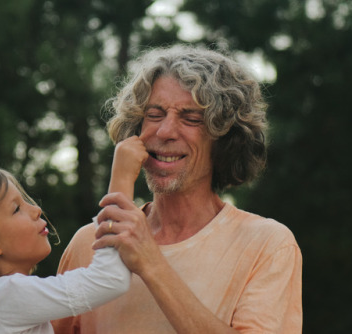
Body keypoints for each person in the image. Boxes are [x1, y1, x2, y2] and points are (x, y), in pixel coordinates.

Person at [52, 45, 302, 333]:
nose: (165, 131)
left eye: (191, 118)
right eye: (155, 114)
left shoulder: (268, 246)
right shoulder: (90, 244)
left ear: (225, 139)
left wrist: (151, 263)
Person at [0, 137, 147, 334]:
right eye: (16, 209)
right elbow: (109, 280)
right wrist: (122, 178)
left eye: (25, 201)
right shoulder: (2, 296)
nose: (36, 209)